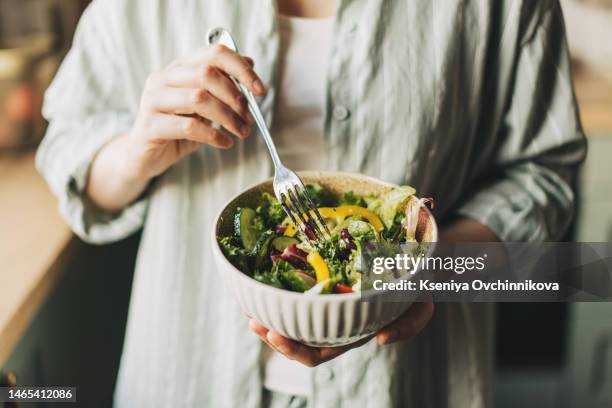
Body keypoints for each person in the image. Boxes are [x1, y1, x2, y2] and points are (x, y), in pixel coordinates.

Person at [36, 0, 586, 406]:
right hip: (187, 372)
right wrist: (142, 149)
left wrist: (430, 271)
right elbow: (70, 157)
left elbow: (545, 177)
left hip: (411, 381)